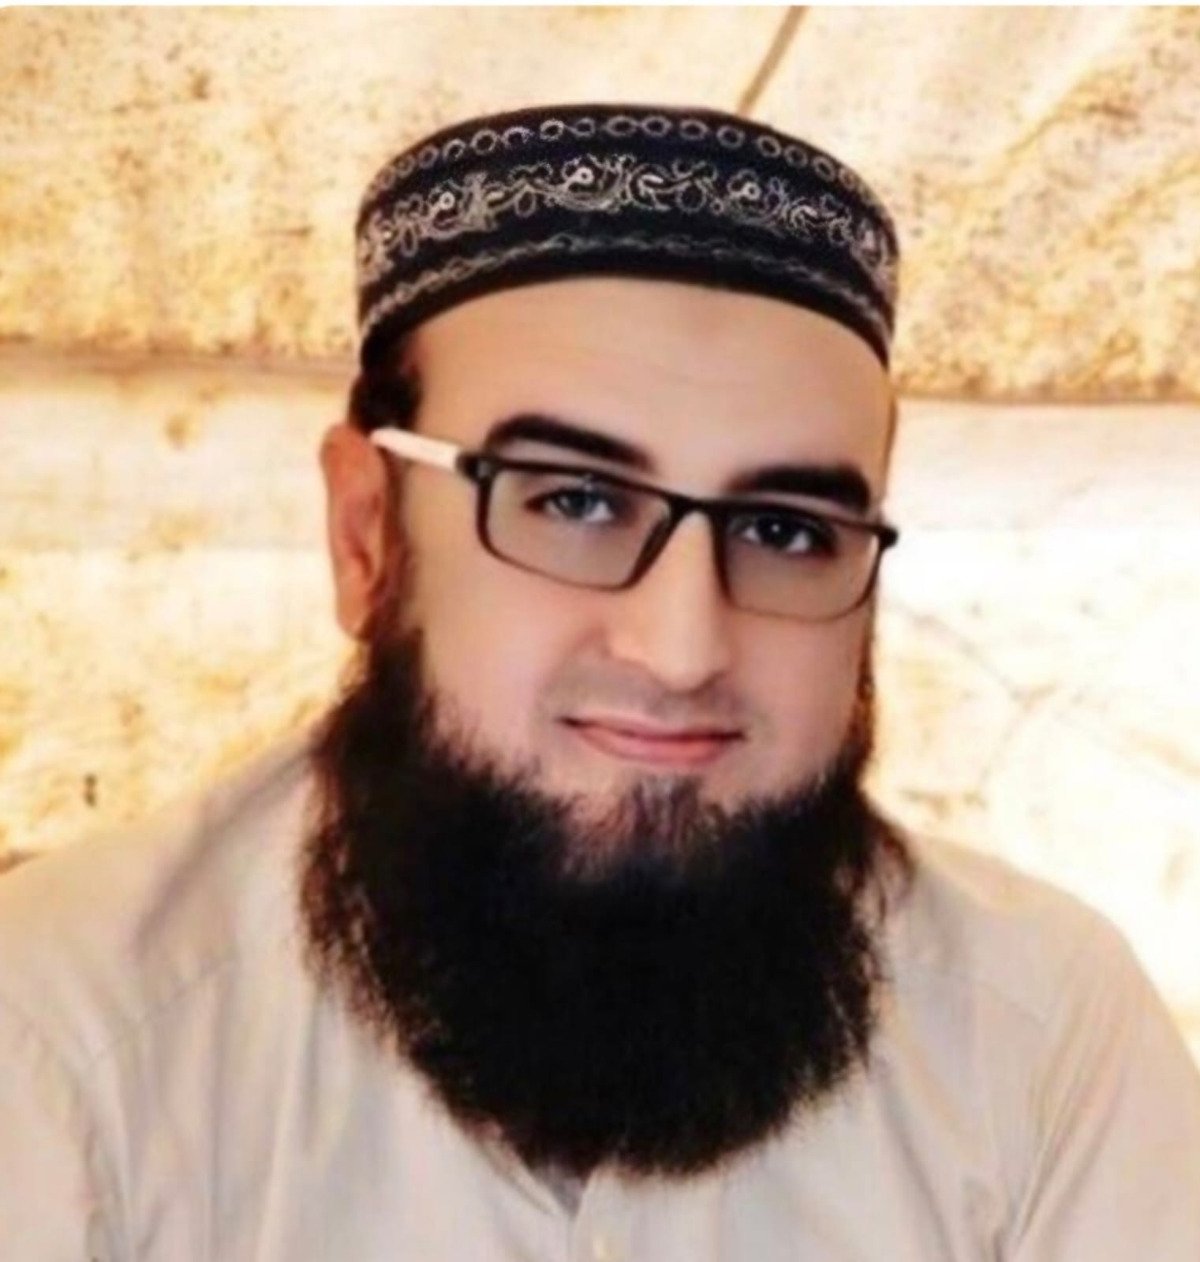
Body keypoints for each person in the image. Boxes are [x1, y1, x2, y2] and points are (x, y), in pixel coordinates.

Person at [1, 102, 1197, 1260]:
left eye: (784, 529)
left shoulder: (1042, 1040)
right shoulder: (63, 1037)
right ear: (366, 533)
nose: (682, 649)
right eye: (573, 500)